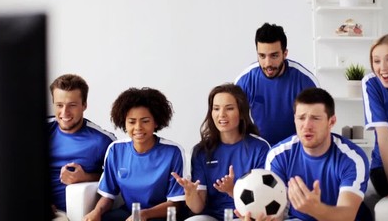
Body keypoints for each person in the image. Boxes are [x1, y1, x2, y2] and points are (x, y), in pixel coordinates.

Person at [257, 88, 369, 221]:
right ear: (294, 120)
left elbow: (347, 215)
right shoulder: (278, 155)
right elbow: (277, 214)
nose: (306, 126)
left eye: (315, 118)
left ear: (331, 122)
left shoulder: (353, 158)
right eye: (301, 118)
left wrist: (315, 209)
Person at [84, 87, 186, 221]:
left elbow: (176, 204)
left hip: (159, 216)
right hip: (128, 214)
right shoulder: (115, 150)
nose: (138, 127)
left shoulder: (173, 152)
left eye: (145, 121)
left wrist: (143, 214)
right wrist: (96, 212)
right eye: (131, 122)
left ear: (155, 122)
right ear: (124, 123)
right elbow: (108, 196)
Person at [172, 83, 270, 221]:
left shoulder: (260, 147)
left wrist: (232, 190)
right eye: (216, 109)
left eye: (229, 108)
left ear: (241, 112)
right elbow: (197, 208)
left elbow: (262, 200)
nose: (221, 115)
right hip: (212, 217)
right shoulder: (201, 151)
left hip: (245, 215)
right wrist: (190, 193)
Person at [234, 22, 319, 146]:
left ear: (285, 53)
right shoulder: (244, 81)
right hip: (259, 151)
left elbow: (317, 124)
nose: (268, 63)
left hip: (296, 150)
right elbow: (235, 124)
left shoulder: (306, 81)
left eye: (274, 56)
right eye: (262, 56)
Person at [48, 74, 117, 220]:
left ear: (84, 105)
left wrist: (85, 177)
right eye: (59, 105)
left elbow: (119, 179)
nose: (64, 112)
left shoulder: (102, 141)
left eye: (72, 105)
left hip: (62, 214)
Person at [362, 33, 388, 199]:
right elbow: (384, 137)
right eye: (376, 61)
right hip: (384, 167)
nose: (382, 67)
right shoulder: (371, 83)